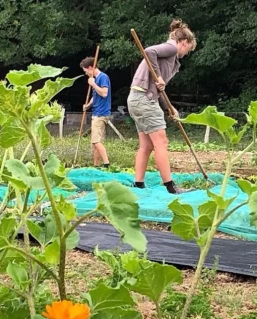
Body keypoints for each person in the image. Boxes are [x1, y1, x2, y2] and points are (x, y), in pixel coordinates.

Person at [127, 19, 196, 194]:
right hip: (143, 99)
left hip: (136, 99)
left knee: (147, 145)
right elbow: (148, 51)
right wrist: (158, 76)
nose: (187, 53)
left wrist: (169, 107)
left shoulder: (169, 57)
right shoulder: (171, 47)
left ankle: (139, 183)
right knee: (161, 142)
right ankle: (171, 186)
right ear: (184, 42)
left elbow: (159, 89)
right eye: (188, 48)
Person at [80, 57, 111, 168]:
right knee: (96, 144)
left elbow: (104, 93)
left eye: (86, 71)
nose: (86, 73)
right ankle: (96, 165)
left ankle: (106, 164)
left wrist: (93, 84)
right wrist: (88, 105)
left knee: (95, 141)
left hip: (101, 114)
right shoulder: (96, 79)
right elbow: (96, 95)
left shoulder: (103, 77)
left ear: (90, 68)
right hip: (96, 112)